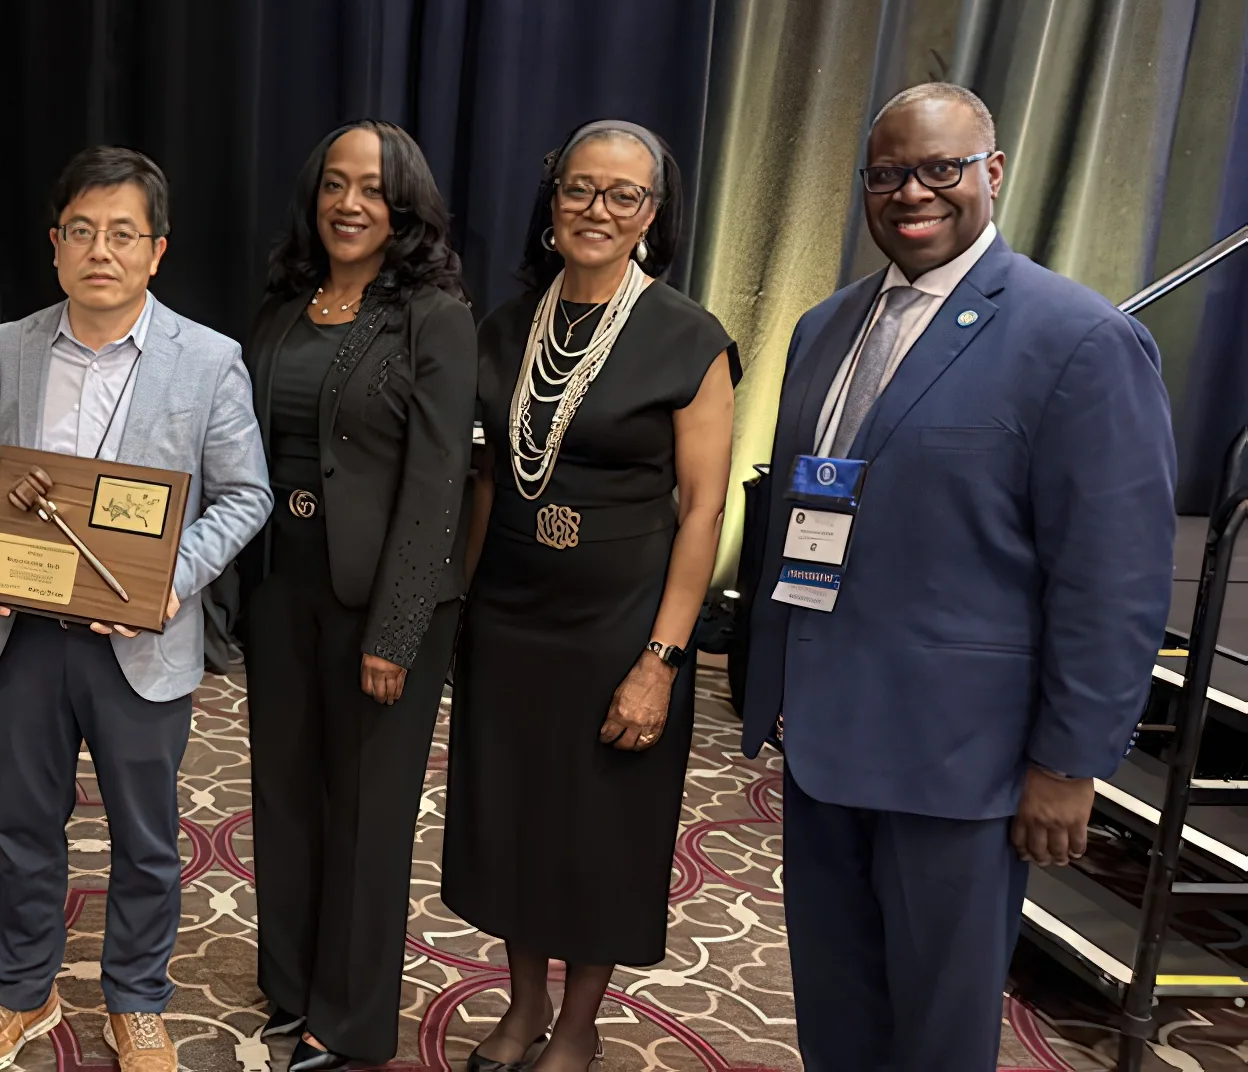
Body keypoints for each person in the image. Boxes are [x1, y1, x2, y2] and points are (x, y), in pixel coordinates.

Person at [738, 83, 1175, 1070]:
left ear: (994, 173)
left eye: (942, 168)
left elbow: (1114, 578)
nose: (912, 193)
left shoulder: (1079, 341)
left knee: (937, 1029)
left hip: (961, 762)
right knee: (839, 1007)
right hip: (823, 734)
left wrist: (1071, 765)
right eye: (889, 173)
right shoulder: (824, 328)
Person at [0, 147, 270, 1072]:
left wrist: (173, 581)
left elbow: (244, 497)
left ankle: (136, 997)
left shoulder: (208, 361)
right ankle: (23, 993)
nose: (102, 250)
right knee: (23, 824)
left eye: (123, 234)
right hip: (23, 636)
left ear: (156, 251)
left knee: (146, 836)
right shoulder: (9, 346)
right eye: (82, 231)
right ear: (55, 245)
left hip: (141, 639)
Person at [443, 121, 737, 1072]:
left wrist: (661, 661)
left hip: (622, 624)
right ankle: (524, 1006)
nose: (596, 210)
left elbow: (701, 513)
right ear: (553, 199)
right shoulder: (503, 326)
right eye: (579, 189)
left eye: (622, 194)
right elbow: (487, 483)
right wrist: (459, 615)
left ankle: (577, 1024)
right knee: (517, 819)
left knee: (602, 829)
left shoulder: (691, 338)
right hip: (512, 613)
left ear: (652, 212)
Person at [239, 121, 476, 1071]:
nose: (349, 204)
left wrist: (398, 627)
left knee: (369, 810)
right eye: (335, 184)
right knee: (285, 794)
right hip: (281, 585)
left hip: (384, 598)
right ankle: (291, 985)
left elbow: (438, 481)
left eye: (372, 190)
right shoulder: (286, 306)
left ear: (403, 205)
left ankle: (347, 1019)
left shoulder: (434, 315)